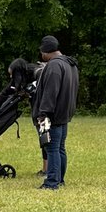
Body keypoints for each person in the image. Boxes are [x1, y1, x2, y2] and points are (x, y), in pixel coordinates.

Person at [31, 35, 79, 190]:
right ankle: (60, 179)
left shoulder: (54, 66)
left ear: (46, 51)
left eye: (41, 52)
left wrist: (43, 113)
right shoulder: (70, 64)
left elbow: (51, 92)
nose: (41, 55)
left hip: (53, 115)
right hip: (65, 113)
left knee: (51, 148)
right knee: (60, 148)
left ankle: (52, 182)